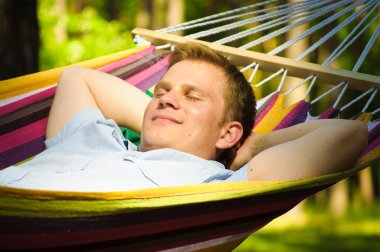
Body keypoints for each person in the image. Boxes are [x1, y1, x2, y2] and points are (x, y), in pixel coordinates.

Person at [0, 43, 368, 191]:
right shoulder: (93, 139)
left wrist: (250, 144)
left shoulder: (215, 186)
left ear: (229, 133)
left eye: (193, 96)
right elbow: (77, 79)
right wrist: (160, 111)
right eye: (162, 91)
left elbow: (350, 134)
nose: (168, 99)